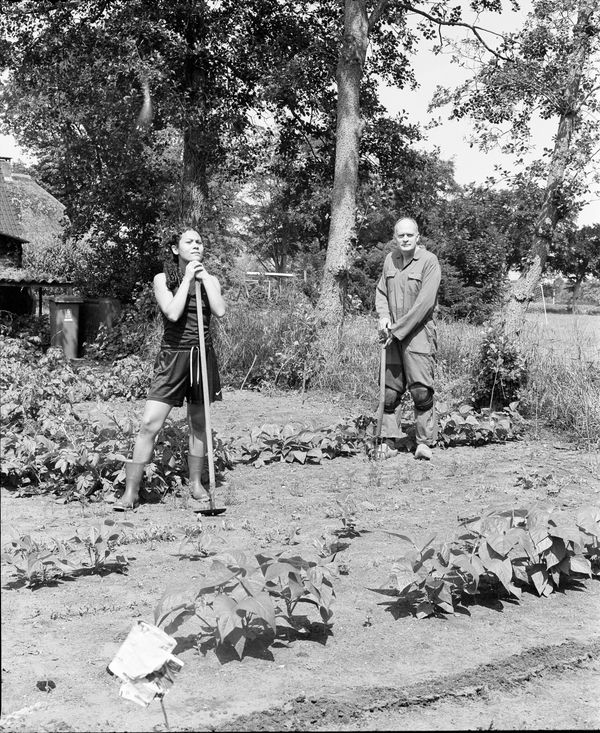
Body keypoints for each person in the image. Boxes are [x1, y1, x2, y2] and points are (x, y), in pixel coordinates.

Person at [113, 227, 226, 511]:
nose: (196, 245)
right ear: (176, 250)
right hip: (173, 356)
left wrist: (203, 279)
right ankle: (131, 492)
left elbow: (220, 310)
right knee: (150, 423)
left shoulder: (210, 279)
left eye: (200, 241)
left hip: (201, 355)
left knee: (199, 423)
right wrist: (188, 279)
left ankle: (196, 484)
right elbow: (173, 312)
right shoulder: (163, 279)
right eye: (189, 242)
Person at [375, 217, 441, 460]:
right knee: (390, 391)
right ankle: (390, 442)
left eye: (409, 235)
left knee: (421, 391)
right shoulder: (389, 260)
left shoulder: (429, 261)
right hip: (391, 336)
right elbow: (381, 291)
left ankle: (424, 442)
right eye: (400, 235)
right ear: (395, 237)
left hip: (418, 335)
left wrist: (397, 330)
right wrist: (383, 317)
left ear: (417, 237)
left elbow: (424, 304)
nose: (404, 239)